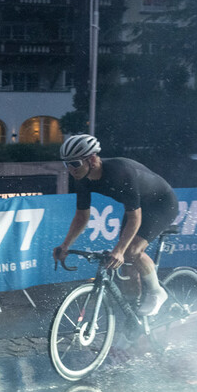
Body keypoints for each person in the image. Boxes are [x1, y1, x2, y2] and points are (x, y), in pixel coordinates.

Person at [52, 134, 178, 317]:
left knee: (130, 251)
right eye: (66, 164)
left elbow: (135, 218)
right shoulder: (81, 178)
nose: (70, 169)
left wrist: (119, 250)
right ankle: (133, 317)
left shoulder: (120, 172)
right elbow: (81, 216)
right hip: (139, 206)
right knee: (126, 266)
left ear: (92, 159)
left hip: (162, 204)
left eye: (75, 163)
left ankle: (157, 292)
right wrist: (65, 245)